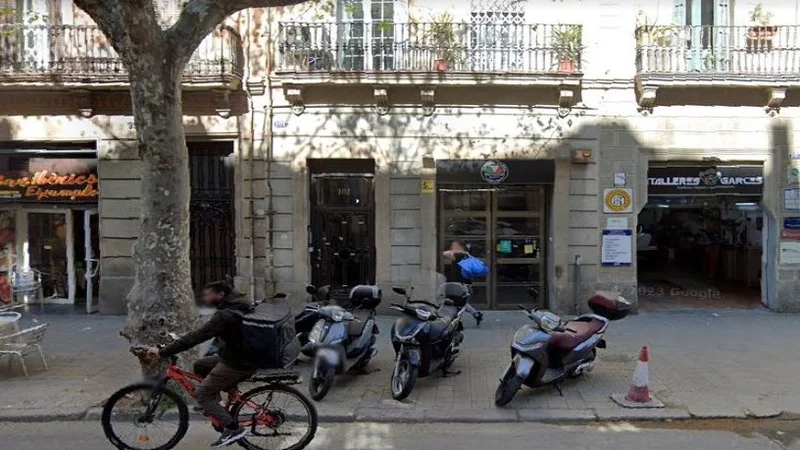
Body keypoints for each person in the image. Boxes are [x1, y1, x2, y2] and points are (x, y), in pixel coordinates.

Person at [147, 281, 255, 448]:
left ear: (220, 295)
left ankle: (233, 429)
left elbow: (198, 336)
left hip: (237, 362)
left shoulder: (224, 315)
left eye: (208, 294)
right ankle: (215, 404)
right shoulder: (239, 303)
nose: (205, 298)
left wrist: (163, 351)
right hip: (240, 355)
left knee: (201, 394)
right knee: (200, 365)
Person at [442, 240, 484, 326]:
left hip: (460, 284)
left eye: (454, 245)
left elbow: (445, 253)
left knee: (457, 303)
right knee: (460, 302)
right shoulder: (465, 255)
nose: (452, 247)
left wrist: (459, 251)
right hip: (464, 283)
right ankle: (476, 314)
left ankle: (457, 321)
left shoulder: (460, 255)